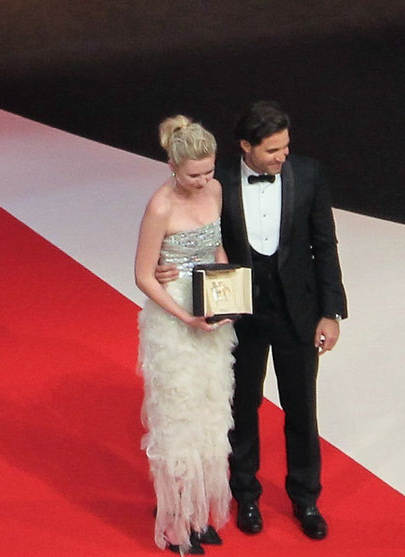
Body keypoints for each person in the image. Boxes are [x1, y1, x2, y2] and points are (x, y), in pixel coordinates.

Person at [156, 101, 348, 540]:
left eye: (285, 147)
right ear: (246, 146)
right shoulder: (216, 176)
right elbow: (181, 219)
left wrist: (331, 310)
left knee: (302, 409)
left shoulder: (310, 174)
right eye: (272, 150)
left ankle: (305, 499)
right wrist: (167, 264)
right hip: (237, 313)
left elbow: (326, 245)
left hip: (297, 313)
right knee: (241, 407)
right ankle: (245, 495)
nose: (282, 156)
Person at [135, 115, 237, 555]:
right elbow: (143, 276)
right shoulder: (160, 206)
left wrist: (229, 295)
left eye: (209, 172)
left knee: (210, 414)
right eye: (194, 175)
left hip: (210, 311)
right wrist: (184, 317)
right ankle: (176, 522)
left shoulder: (214, 191)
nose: (204, 182)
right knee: (178, 420)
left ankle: (198, 513)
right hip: (173, 320)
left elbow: (216, 248)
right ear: (173, 167)